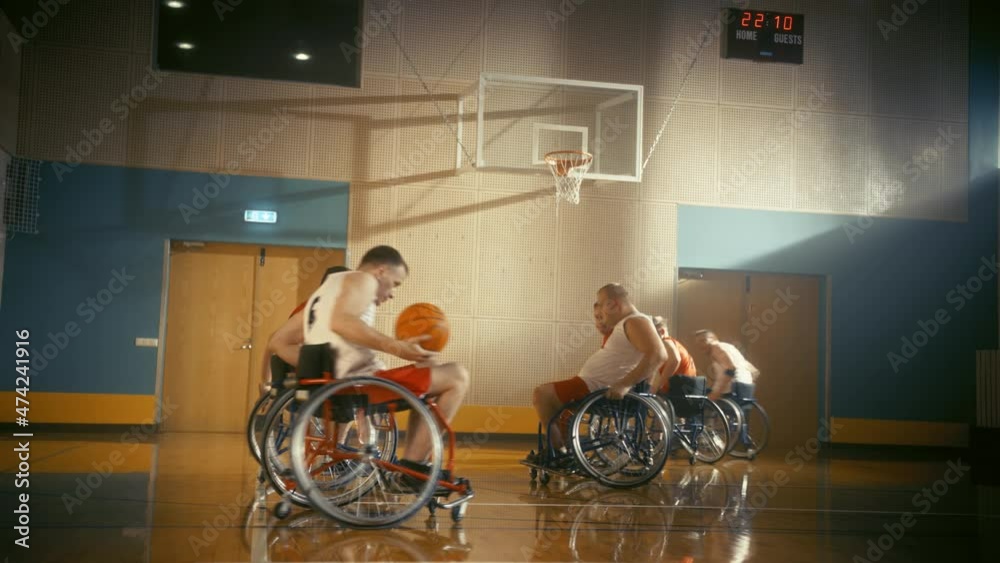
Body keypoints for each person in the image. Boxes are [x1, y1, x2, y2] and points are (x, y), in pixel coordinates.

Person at [303, 245, 470, 484]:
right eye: (395, 283)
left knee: (427, 372)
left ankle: (415, 464)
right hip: (355, 384)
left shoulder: (332, 282)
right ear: (381, 271)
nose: (392, 293)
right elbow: (341, 322)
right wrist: (396, 346)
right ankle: (412, 469)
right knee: (458, 375)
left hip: (331, 378)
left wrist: (404, 352)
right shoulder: (363, 280)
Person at [530, 284, 667, 455]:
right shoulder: (627, 323)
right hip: (592, 385)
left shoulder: (635, 321)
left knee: (542, 395)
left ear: (611, 304)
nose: (600, 312)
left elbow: (658, 355)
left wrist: (625, 384)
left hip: (595, 388)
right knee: (557, 406)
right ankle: (561, 450)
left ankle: (558, 451)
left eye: (601, 305)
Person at [258, 266, 350, 395]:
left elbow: (272, 340)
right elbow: (274, 341)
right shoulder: (313, 311)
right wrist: (266, 382)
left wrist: (266, 383)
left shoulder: (315, 307)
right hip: (312, 378)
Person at [694, 330, 759, 401]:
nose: (700, 345)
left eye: (703, 340)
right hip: (745, 386)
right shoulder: (729, 347)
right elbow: (754, 371)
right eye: (698, 343)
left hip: (733, 388)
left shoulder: (715, 347)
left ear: (713, 338)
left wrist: (716, 393)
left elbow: (731, 369)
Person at [648, 315, 698, 395]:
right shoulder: (674, 343)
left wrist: (659, 385)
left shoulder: (666, 342)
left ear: (662, 332)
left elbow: (675, 360)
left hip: (679, 390)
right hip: (687, 387)